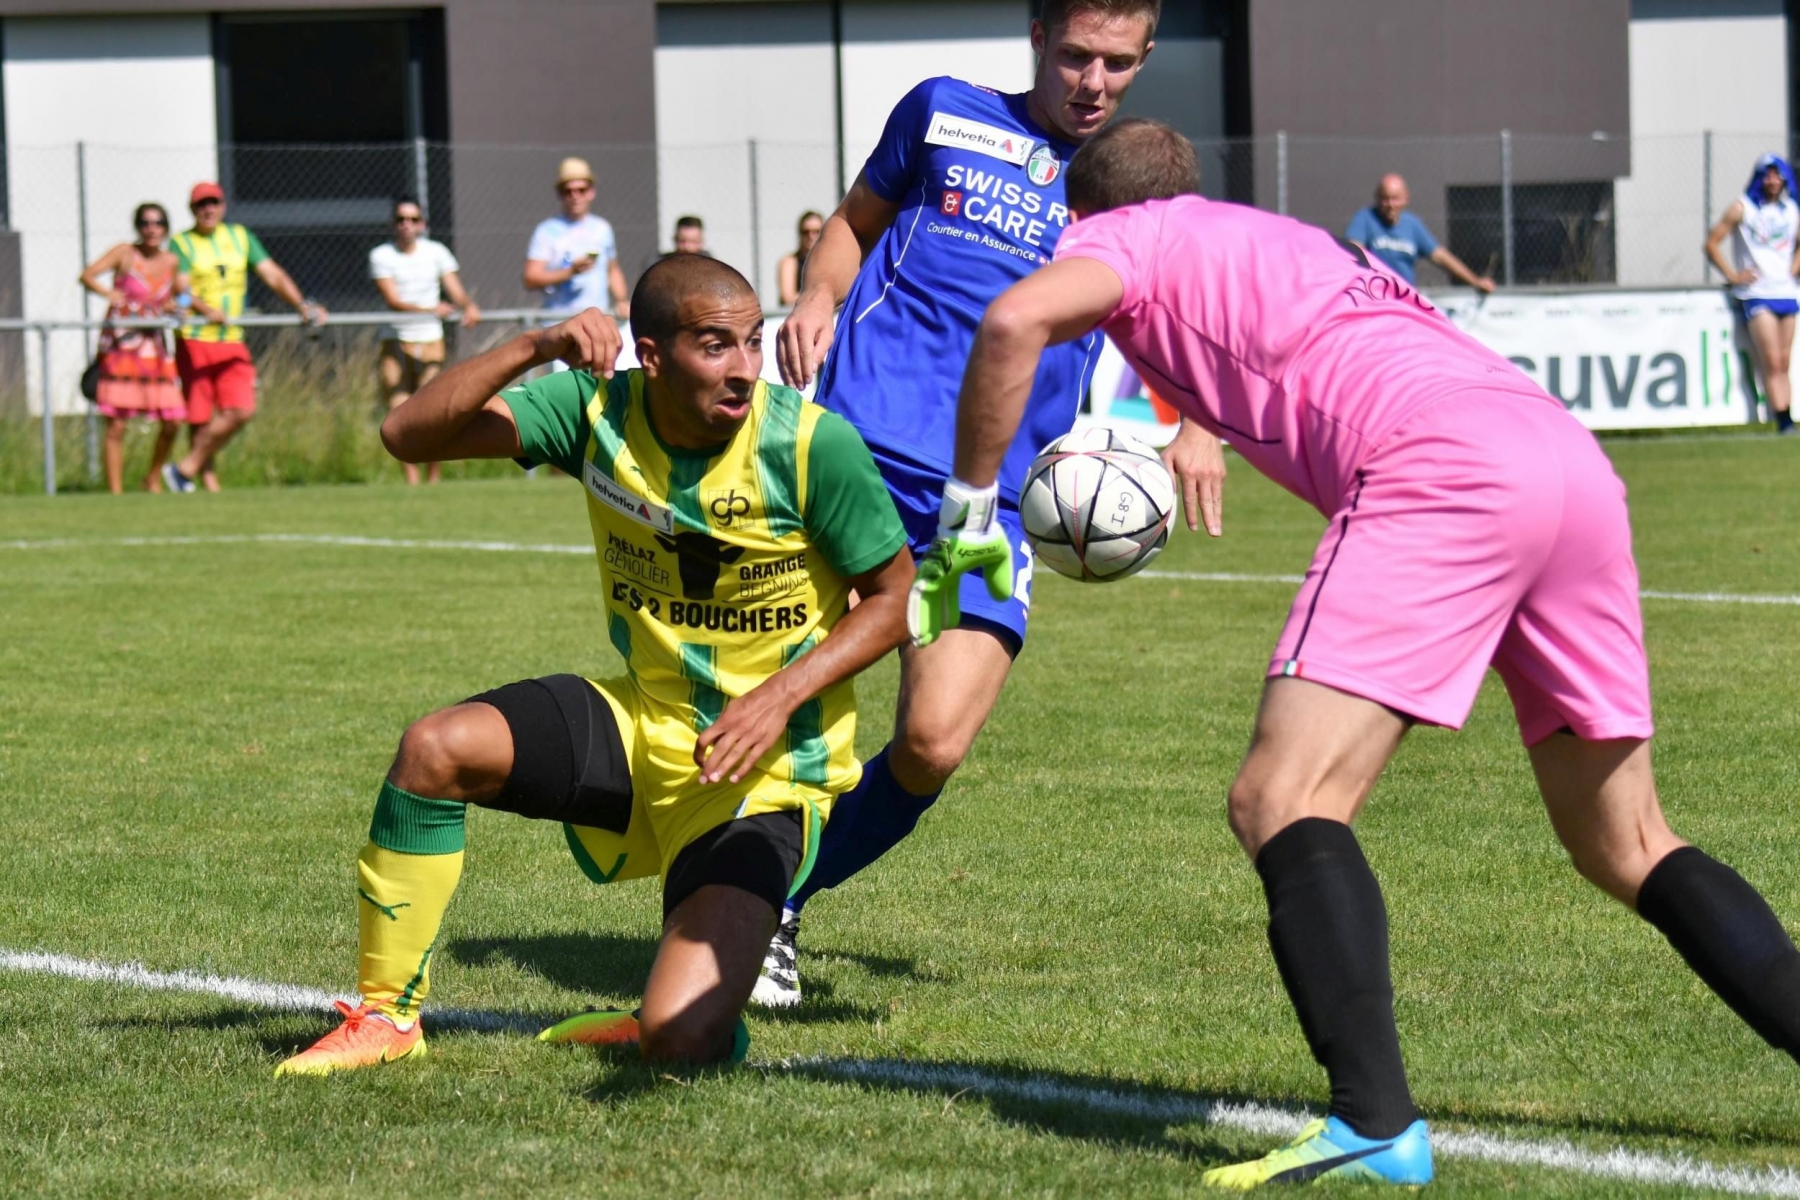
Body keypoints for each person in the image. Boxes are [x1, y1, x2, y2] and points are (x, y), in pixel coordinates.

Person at [922, 117, 1800, 1190]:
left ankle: (1375, 1125)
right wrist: (1198, 417)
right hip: (1562, 457)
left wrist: (970, 508)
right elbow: (1252, 336)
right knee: (1627, 842)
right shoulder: (1268, 233)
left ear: (1083, 215)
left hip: (1441, 467)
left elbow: (1014, 320)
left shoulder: (1124, 238)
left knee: (1282, 800)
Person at [274, 255, 914, 1077]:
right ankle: (385, 1019)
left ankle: (690, 1018)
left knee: (679, 1047)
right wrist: (535, 345)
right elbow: (409, 434)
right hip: (643, 720)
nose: (745, 369)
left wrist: (776, 700)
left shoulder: (811, 445)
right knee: (435, 749)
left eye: (752, 342)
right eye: (715, 346)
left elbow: (899, 599)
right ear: (651, 356)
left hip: (766, 769)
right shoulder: (593, 411)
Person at [760, 0, 1225, 1008]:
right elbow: (852, 222)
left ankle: (782, 898)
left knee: (931, 744)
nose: (1090, 82)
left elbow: (1183, 320)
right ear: (1037, 40)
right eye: (1073, 56)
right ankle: (746, 911)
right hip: (858, 458)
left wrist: (1199, 422)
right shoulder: (943, 114)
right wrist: (814, 295)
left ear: (1144, 59)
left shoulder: (1130, 195)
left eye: (1114, 64)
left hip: (997, 500)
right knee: (793, 707)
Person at [160, 182, 326, 494]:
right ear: (193, 209)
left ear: (223, 206)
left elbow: (272, 274)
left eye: (214, 203)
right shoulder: (182, 243)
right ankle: (205, 482)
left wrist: (300, 303)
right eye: (201, 205)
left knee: (241, 409)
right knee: (199, 416)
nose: (208, 210)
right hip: (195, 337)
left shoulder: (240, 236)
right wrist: (205, 308)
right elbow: (182, 286)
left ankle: (185, 469)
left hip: (231, 338)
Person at [369, 196, 481, 485]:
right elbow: (392, 299)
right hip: (395, 341)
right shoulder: (382, 255)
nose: (407, 225)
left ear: (423, 224)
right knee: (398, 412)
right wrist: (431, 309)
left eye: (413, 219)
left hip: (431, 340)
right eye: (401, 220)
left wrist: (468, 305)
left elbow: (455, 289)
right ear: (393, 224)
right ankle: (412, 480)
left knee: (431, 413)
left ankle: (433, 479)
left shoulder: (436, 252)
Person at [78, 203, 183, 494]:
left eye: (158, 223)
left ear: (165, 227)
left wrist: (172, 307)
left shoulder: (172, 261)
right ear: (138, 227)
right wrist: (109, 293)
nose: (152, 229)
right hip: (122, 346)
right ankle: (116, 492)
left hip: (154, 348)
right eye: (145, 223)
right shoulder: (124, 253)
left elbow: (173, 298)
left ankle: (151, 477)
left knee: (173, 419)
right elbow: (87, 275)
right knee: (117, 424)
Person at [1705, 153, 1800, 434]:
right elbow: (1712, 243)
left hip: (1786, 292)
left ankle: (1789, 417)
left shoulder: (1791, 209)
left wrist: (1795, 266)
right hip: (1758, 293)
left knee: (1784, 361)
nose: (1772, 180)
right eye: (1767, 175)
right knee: (1771, 361)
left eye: (1777, 174)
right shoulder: (1742, 208)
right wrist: (1734, 276)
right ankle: (1782, 419)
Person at [1345, 174, 1495, 293]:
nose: (1390, 204)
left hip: (1405, 297)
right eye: (1385, 199)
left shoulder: (1412, 225)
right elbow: (1354, 250)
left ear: (1406, 199)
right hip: (1374, 296)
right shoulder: (1365, 219)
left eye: (1395, 199)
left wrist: (1475, 281)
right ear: (1377, 199)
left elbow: (1440, 256)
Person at [523, 157, 629, 320]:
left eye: (581, 190)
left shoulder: (602, 228)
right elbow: (530, 278)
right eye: (568, 191)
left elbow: (612, 269)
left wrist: (621, 300)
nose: (575, 196)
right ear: (560, 194)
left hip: (597, 324)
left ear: (591, 192)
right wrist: (570, 272)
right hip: (559, 325)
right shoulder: (546, 231)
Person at [777, 211, 823, 307]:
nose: (811, 236)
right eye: (806, 232)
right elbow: (788, 298)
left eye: (816, 232)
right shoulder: (790, 262)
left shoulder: (829, 262)